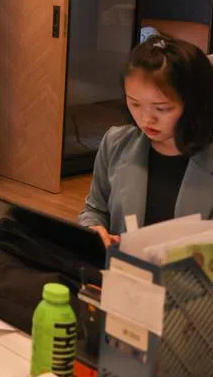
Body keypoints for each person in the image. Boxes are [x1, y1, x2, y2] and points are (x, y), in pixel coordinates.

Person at [79, 35, 213, 246]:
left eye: (162, 108)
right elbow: (95, 209)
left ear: (195, 103)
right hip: (122, 274)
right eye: (134, 104)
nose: (146, 119)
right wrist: (94, 231)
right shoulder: (116, 143)